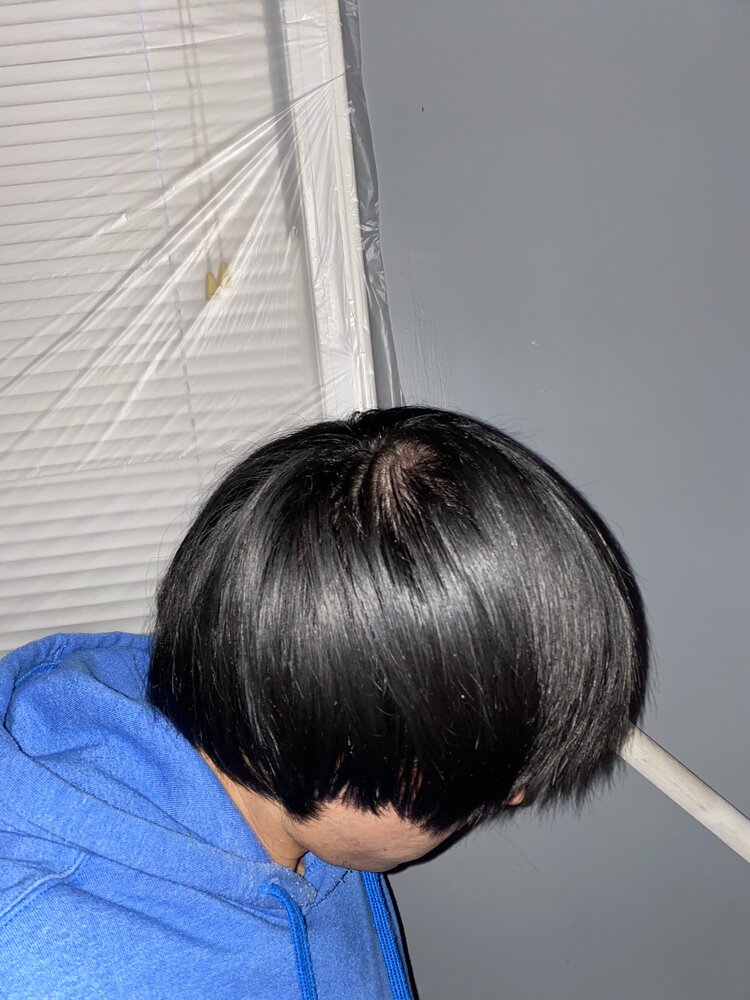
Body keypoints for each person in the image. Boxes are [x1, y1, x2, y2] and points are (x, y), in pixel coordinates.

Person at [0, 405, 649, 999]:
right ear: (339, 734)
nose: (515, 796)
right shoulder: (45, 966)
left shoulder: (285, 758)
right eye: (487, 771)